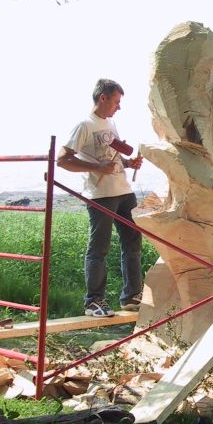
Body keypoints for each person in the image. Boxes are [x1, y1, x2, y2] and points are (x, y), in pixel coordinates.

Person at [58, 79, 144, 317]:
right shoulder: (84, 125)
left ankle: (131, 295)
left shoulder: (111, 123)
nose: (119, 107)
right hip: (100, 196)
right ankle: (93, 301)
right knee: (99, 248)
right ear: (103, 98)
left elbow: (111, 158)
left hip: (124, 190)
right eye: (116, 101)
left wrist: (128, 162)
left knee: (133, 242)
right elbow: (63, 160)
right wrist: (96, 166)